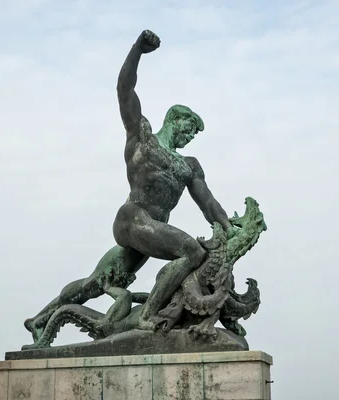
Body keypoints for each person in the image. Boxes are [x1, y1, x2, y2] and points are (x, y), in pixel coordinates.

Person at [24, 29, 237, 340]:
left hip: (150, 232)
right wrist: (138, 49)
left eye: (193, 134)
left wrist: (229, 227)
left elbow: (208, 204)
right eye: (189, 128)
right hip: (132, 219)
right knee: (192, 251)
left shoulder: (189, 165)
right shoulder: (142, 137)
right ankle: (149, 315)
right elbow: (124, 89)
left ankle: (40, 318)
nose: (190, 136)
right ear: (173, 120)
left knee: (97, 282)